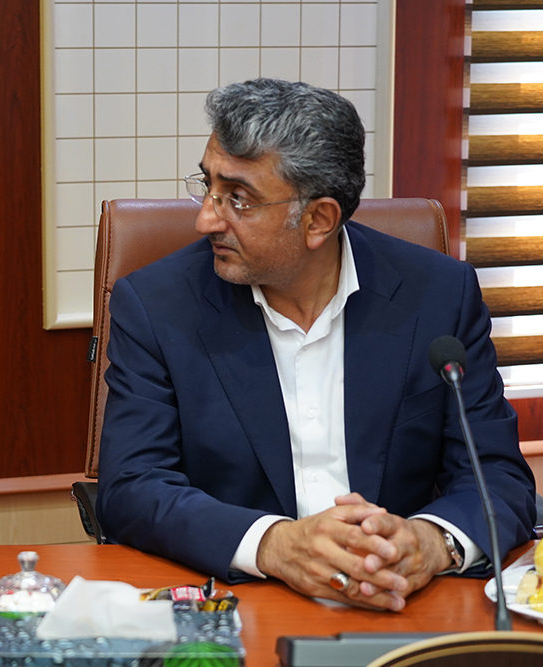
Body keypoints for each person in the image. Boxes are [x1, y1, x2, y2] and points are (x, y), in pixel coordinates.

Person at [96, 78, 536, 611]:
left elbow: (497, 476)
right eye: (208, 186)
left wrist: (429, 542)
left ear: (319, 220)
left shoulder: (439, 295)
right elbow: (132, 486)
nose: (205, 218)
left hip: (403, 602)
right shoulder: (158, 305)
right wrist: (275, 544)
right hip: (242, 604)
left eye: (238, 199)